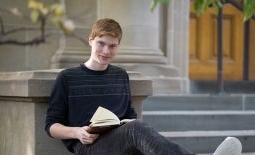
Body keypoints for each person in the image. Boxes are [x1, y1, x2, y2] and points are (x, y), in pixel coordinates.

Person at [45, 18, 242, 155]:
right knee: (137, 129)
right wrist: (77, 132)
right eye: (101, 43)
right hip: (88, 148)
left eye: (112, 46)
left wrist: (127, 123)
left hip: (121, 141)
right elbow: (51, 126)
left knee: (143, 138)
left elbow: (129, 114)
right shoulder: (68, 77)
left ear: (118, 46)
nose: (106, 51)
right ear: (91, 40)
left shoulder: (120, 76)